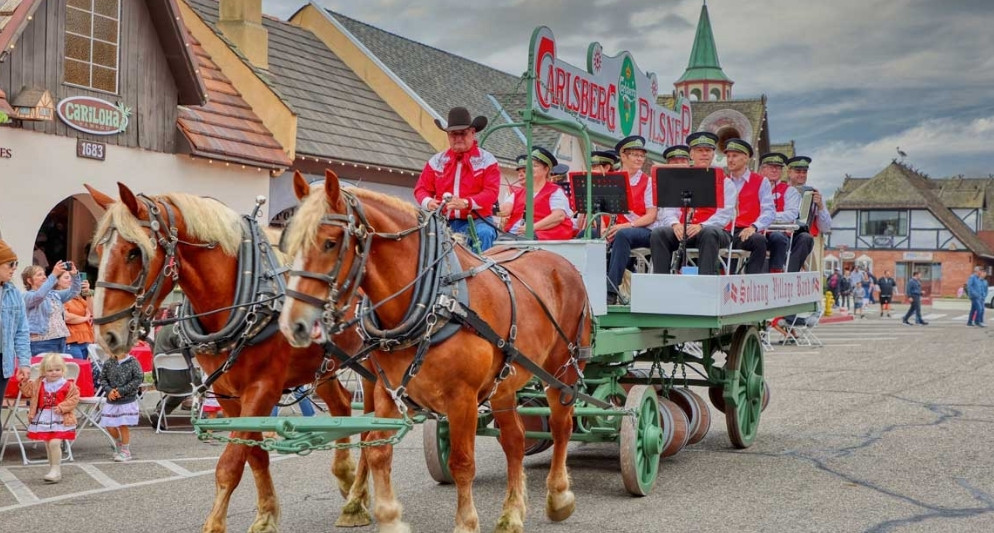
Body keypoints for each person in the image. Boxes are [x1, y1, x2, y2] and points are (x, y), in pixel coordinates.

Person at [650, 131, 737, 276]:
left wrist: (702, 226)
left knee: (709, 233)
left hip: (713, 231)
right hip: (685, 229)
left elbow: (725, 214)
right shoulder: (679, 179)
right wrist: (675, 224)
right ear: (691, 154)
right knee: (659, 233)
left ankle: (705, 283)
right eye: (699, 150)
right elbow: (669, 208)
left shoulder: (725, 182)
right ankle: (662, 282)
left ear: (713, 154)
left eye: (708, 150)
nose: (704, 154)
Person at [415, 106, 501, 251]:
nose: (458, 138)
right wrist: (429, 202)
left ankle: (479, 273)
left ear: (473, 133)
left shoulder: (487, 160)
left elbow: (491, 193)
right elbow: (421, 189)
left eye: (463, 133)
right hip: (443, 220)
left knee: (484, 234)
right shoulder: (436, 161)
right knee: (417, 238)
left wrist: (466, 203)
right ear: (448, 135)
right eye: (454, 134)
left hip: (477, 220)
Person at [602, 136, 659, 304]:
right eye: (635, 155)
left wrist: (627, 225)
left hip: (643, 230)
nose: (639, 159)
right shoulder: (611, 178)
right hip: (617, 229)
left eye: (642, 155)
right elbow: (603, 209)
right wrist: (603, 228)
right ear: (623, 156)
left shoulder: (648, 182)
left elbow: (651, 215)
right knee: (587, 234)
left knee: (623, 235)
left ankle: (610, 291)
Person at [22, 352, 79, 483]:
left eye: (57, 370)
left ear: (63, 370)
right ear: (43, 371)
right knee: (48, 444)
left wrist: (63, 406)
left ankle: (56, 469)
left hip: (60, 418)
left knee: (54, 443)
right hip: (44, 417)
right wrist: (24, 382)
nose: (54, 373)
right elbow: (28, 392)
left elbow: (74, 398)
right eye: (50, 370)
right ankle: (53, 469)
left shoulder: (67, 385)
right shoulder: (39, 383)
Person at [723, 139, 774, 274]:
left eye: (734, 156)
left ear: (746, 158)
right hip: (724, 230)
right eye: (728, 156)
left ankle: (752, 280)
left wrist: (754, 227)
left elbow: (769, 211)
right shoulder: (723, 181)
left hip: (744, 231)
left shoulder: (761, 181)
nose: (730, 160)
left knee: (759, 240)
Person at [503, 147, 575, 240]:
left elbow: (558, 216)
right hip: (514, 234)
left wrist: (531, 228)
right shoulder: (519, 192)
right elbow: (505, 209)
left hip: (541, 235)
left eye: (535, 165)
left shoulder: (555, 191)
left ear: (546, 170)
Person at [0, 239, 32, 446]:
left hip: (3, 360)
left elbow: (22, 331)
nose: (13, 269)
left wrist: (25, 362)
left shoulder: (14, 294)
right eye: (9, 265)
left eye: (15, 265)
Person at [783, 156, 832, 272]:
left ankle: (791, 275)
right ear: (789, 172)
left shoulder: (812, 193)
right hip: (782, 238)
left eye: (804, 172)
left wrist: (820, 207)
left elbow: (826, 227)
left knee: (806, 240)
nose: (801, 175)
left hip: (802, 242)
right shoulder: (781, 190)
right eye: (798, 171)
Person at [21, 261, 80, 355]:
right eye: (39, 275)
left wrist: (75, 275)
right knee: (42, 369)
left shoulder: (53, 294)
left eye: (44, 274)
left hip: (60, 339)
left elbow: (74, 291)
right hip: (41, 342)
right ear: (29, 280)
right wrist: (53, 275)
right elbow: (39, 296)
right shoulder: (26, 296)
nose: (44, 277)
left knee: (58, 369)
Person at [98, 349, 144, 461]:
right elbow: (103, 378)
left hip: (127, 399)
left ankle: (125, 450)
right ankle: (119, 442)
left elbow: (138, 378)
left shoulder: (133, 362)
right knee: (109, 424)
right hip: (112, 399)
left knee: (123, 424)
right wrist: (109, 390)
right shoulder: (109, 362)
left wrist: (122, 391)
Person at [758, 152, 796, 272]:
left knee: (778, 238)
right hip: (755, 231)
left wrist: (767, 217)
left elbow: (791, 214)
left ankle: (775, 274)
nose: (774, 170)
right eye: (771, 167)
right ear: (762, 169)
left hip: (777, 232)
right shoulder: (755, 186)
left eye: (778, 167)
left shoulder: (789, 191)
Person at [61, 272, 94, 360]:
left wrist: (87, 292)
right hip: (71, 342)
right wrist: (85, 318)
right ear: (57, 281)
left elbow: (91, 311)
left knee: (84, 369)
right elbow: (67, 317)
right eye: (66, 277)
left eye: (71, 278)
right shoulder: (58, 297)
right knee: (77, 369)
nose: (70, 280)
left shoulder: (77, 297)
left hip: (85, 340)